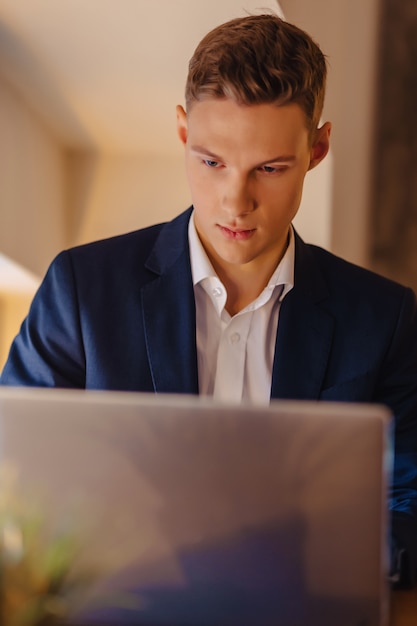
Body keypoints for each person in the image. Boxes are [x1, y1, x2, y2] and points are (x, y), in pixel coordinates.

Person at [1, 13, 417, 586]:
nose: (235, 201)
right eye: (211, 162)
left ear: (318, 147)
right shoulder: (81, 291)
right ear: (181, 131)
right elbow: (13, 474)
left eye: (269, 168)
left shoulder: (385, 318)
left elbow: (408, 505)